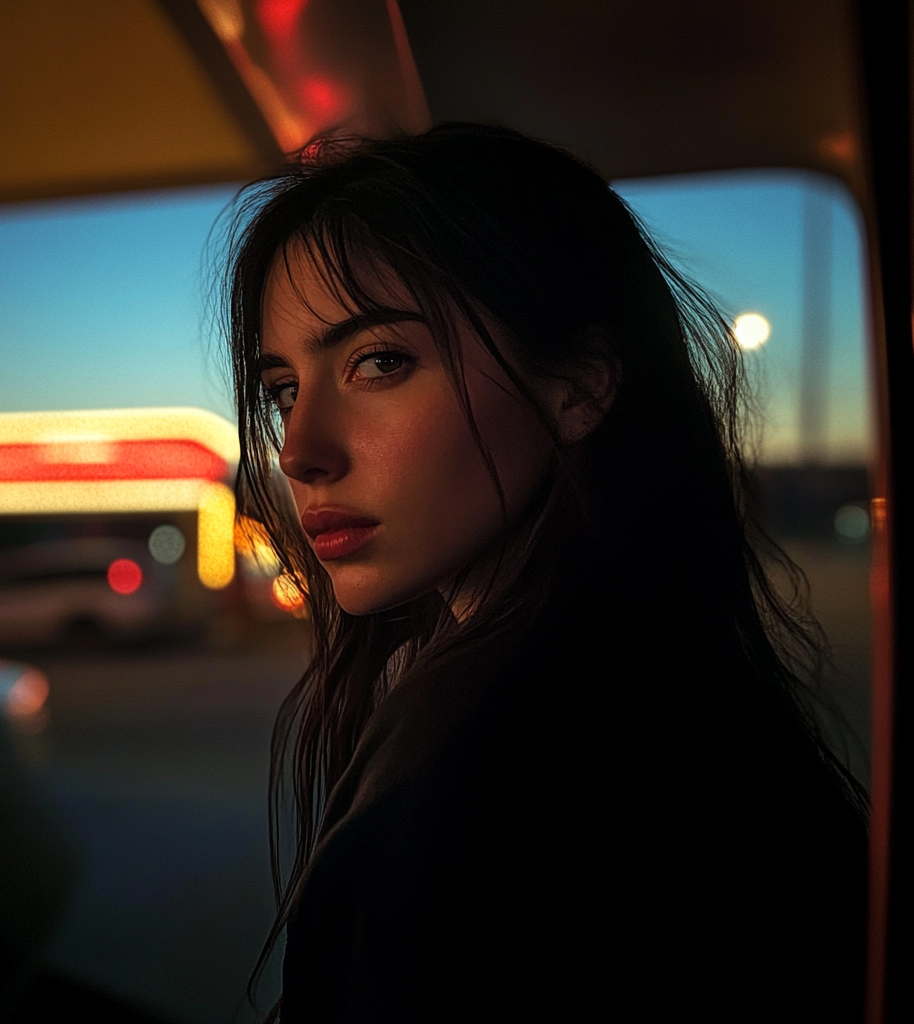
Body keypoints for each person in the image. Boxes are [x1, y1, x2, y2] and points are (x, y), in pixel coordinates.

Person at [215, 123, 868, 1022]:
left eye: (379, 362)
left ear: (579, 387)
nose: (300, 453)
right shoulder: (662, 679)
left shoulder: (494, 744)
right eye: (284, 390)